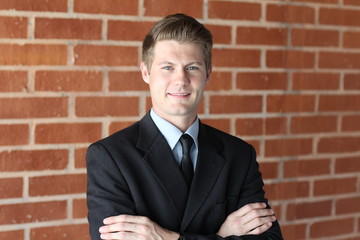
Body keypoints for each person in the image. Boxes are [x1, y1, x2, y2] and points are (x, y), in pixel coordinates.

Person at [86, 13, 283, 240]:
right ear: (146, 72)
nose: (181, 80)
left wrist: (168, 238)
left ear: (207, 73)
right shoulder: (110, 157)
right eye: (168, 67)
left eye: (192, 68)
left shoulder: (239, 155)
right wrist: (221, 235)